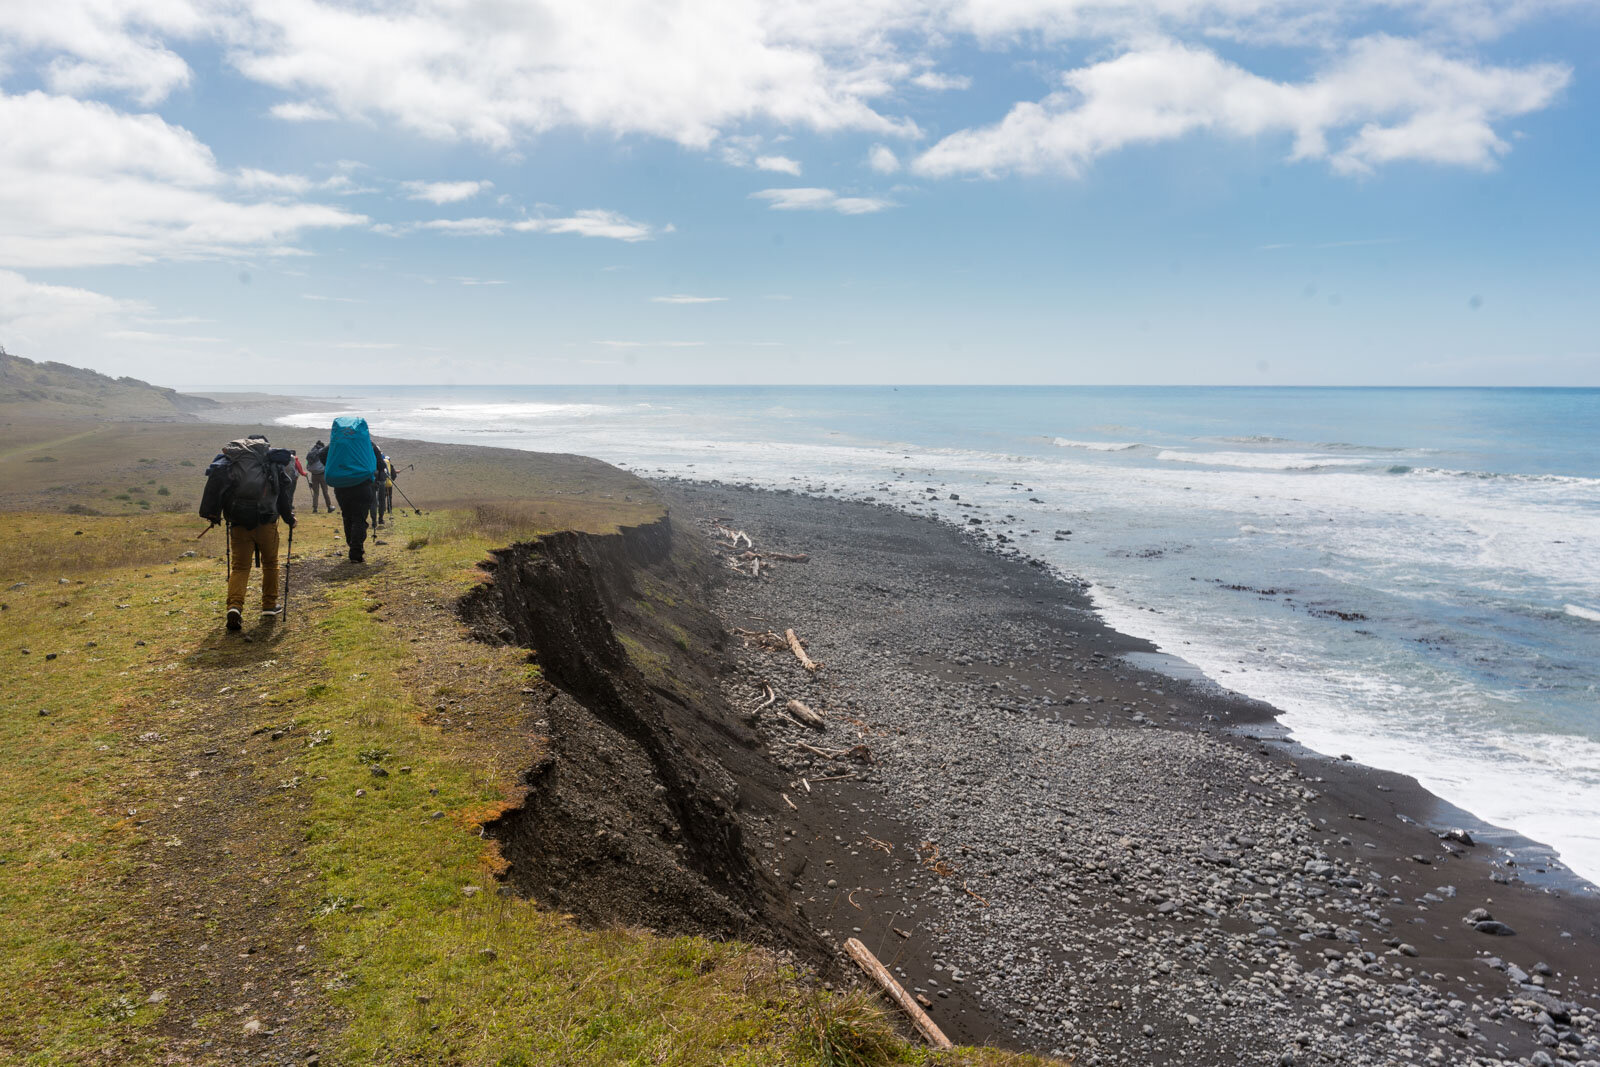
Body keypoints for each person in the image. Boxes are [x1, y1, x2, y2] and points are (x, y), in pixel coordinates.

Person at [198, 434, 297, 631]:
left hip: (239, 522)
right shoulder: (271, 462)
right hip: (266, 521)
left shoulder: (233, 461)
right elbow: (281, 495)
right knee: (271, 564)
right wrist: (289, 518)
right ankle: (269, 605)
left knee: (240, 567)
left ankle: (234, 606)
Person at [322, 416, 377, 562]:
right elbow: (379, 463)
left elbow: (321, 455)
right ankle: (356, 552)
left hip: (341, 487)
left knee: (347, 517)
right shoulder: (367, 444)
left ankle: (351, 545)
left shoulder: (336, 444)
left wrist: (336, 466)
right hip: (362, 486)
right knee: (359, 519)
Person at [304, 439, 335, 513]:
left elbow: (307, 463)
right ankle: (329, 507)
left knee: (316, 493)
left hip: (313, 475)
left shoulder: (311, 453)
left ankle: (315, 509)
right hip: (322, 474)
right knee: (325, 492)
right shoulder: (322, 451)